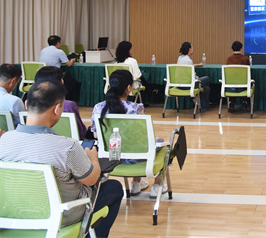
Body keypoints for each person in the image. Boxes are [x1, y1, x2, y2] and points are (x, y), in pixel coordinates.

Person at [0, 81, 123, 237]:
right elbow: (91, 180)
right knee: (114, 187)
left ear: (26, 105)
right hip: (61, 218)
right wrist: (93, 159)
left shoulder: (4, 140)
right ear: (57, 109)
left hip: (14, 213)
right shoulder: (67, 147)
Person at [90, 69, 166, 198]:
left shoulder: (98, 108)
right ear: (129, 88)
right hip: (136, 157)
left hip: (110, 158)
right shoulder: (137, 108)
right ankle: (156, 185)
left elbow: (96, 135)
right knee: (162, 144)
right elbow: (143, 138)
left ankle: (137, 183)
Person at [33, 66, 87, 138]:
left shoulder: (32, 105)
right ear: (61, 81)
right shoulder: (68, 105)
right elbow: (80, 132)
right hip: (69, 142)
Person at [39, 35, 79, 100]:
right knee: (70, 79)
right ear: (57, 43)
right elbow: (69, 64)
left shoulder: (43, 50)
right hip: (54, 75)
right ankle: (65, 99)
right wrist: (72, 60)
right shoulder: (59, 52)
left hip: (43, 75)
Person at [177, 42, 211, 111]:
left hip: (179, 84)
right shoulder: (189, 60)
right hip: (189, 85)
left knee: (206, 88)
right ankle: (203, 106)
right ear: (189, 49)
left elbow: (187, 66)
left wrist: (198, 64)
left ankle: (203, 105)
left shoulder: (180, 58)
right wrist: (198, 78)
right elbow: (193, 76)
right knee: (206, 79)